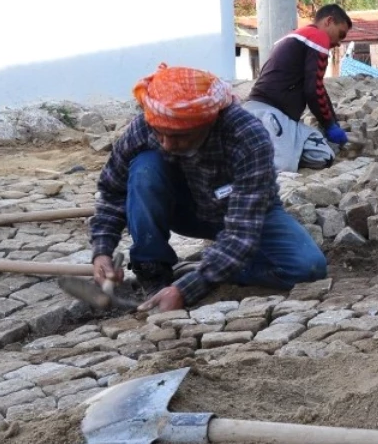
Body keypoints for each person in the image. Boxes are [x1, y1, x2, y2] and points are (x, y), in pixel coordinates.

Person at [90, 65, 328, 313]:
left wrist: (186, 289)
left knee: (307, 268)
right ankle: (153, 272)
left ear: (209, 123)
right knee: (145, 168)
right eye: (161, 134)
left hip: (244, 215)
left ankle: (198, 272)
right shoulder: (146, 125)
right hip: (185, 211)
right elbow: (112, 191)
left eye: (180, 136)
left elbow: (241, 234)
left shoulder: (247, 135)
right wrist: (102, 251)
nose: (168, 144)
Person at [244, 4, 353, 172]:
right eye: (341, 35)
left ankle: (268, 147)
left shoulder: (296, 37)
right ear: (329, 21)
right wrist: (329, 125)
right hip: (269, 113)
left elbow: (318, 88)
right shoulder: (317, 36)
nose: (338, 43)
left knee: (323, 155)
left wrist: (332, 123)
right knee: (282, 167)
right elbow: (313, 90)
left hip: (279, 116)